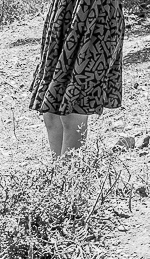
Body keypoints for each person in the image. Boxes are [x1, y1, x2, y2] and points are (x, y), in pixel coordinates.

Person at [29, 0, 125, 157]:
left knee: (73, 110)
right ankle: (59, 178)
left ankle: (71, 179)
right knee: (51, 112)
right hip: (64, 11)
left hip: (97, 13)